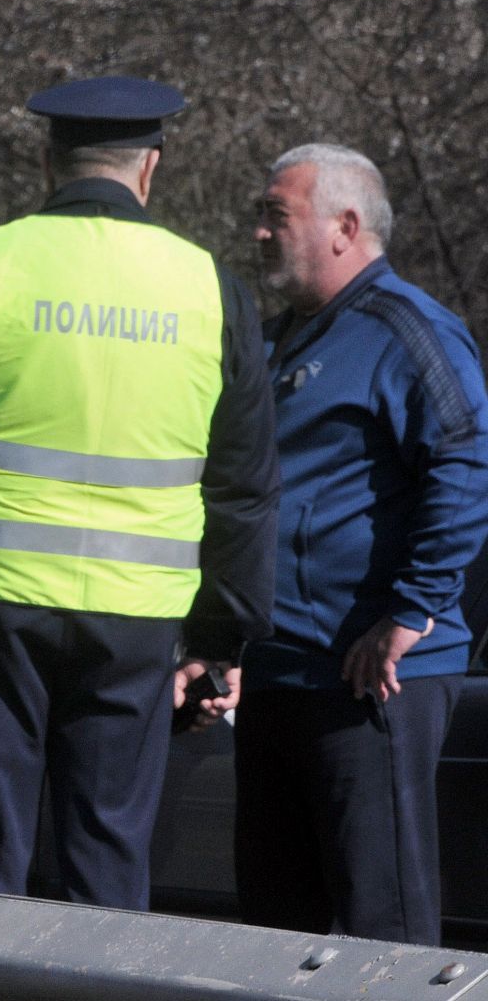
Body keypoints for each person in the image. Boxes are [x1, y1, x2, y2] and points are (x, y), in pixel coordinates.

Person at [0, 76, 280, 910]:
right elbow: (245, 486)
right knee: (106, 852)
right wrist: (220, 639)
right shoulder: (211, 287)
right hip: (139, 616)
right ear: (150, 167)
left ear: (48, 164)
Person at [233, 144, 488, 943]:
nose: (260, 234)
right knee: (275, 929)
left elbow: (467, 454)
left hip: (368, 683)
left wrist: (412, 613)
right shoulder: (278, 342)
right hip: (278, 673)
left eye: (277, 216)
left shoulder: (407, 330)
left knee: (383, 928)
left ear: (345, 226)